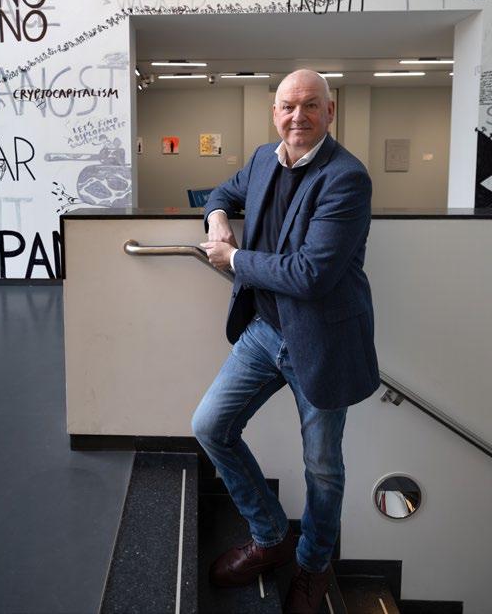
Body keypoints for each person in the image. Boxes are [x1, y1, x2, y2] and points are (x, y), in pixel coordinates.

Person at [192, 69, 380, 613]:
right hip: (264, 331)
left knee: (321, 467)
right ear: (274, 112)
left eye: (310, 106)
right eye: (288, 106)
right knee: (210, 426)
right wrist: (218, 217)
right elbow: (221, 192)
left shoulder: (347, 178)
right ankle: (271, 536)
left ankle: (313, 566)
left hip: (322, 343)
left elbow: (310, 274)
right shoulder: (262, 159)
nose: (298, 116)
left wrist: (234, 258)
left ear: (330, 111)